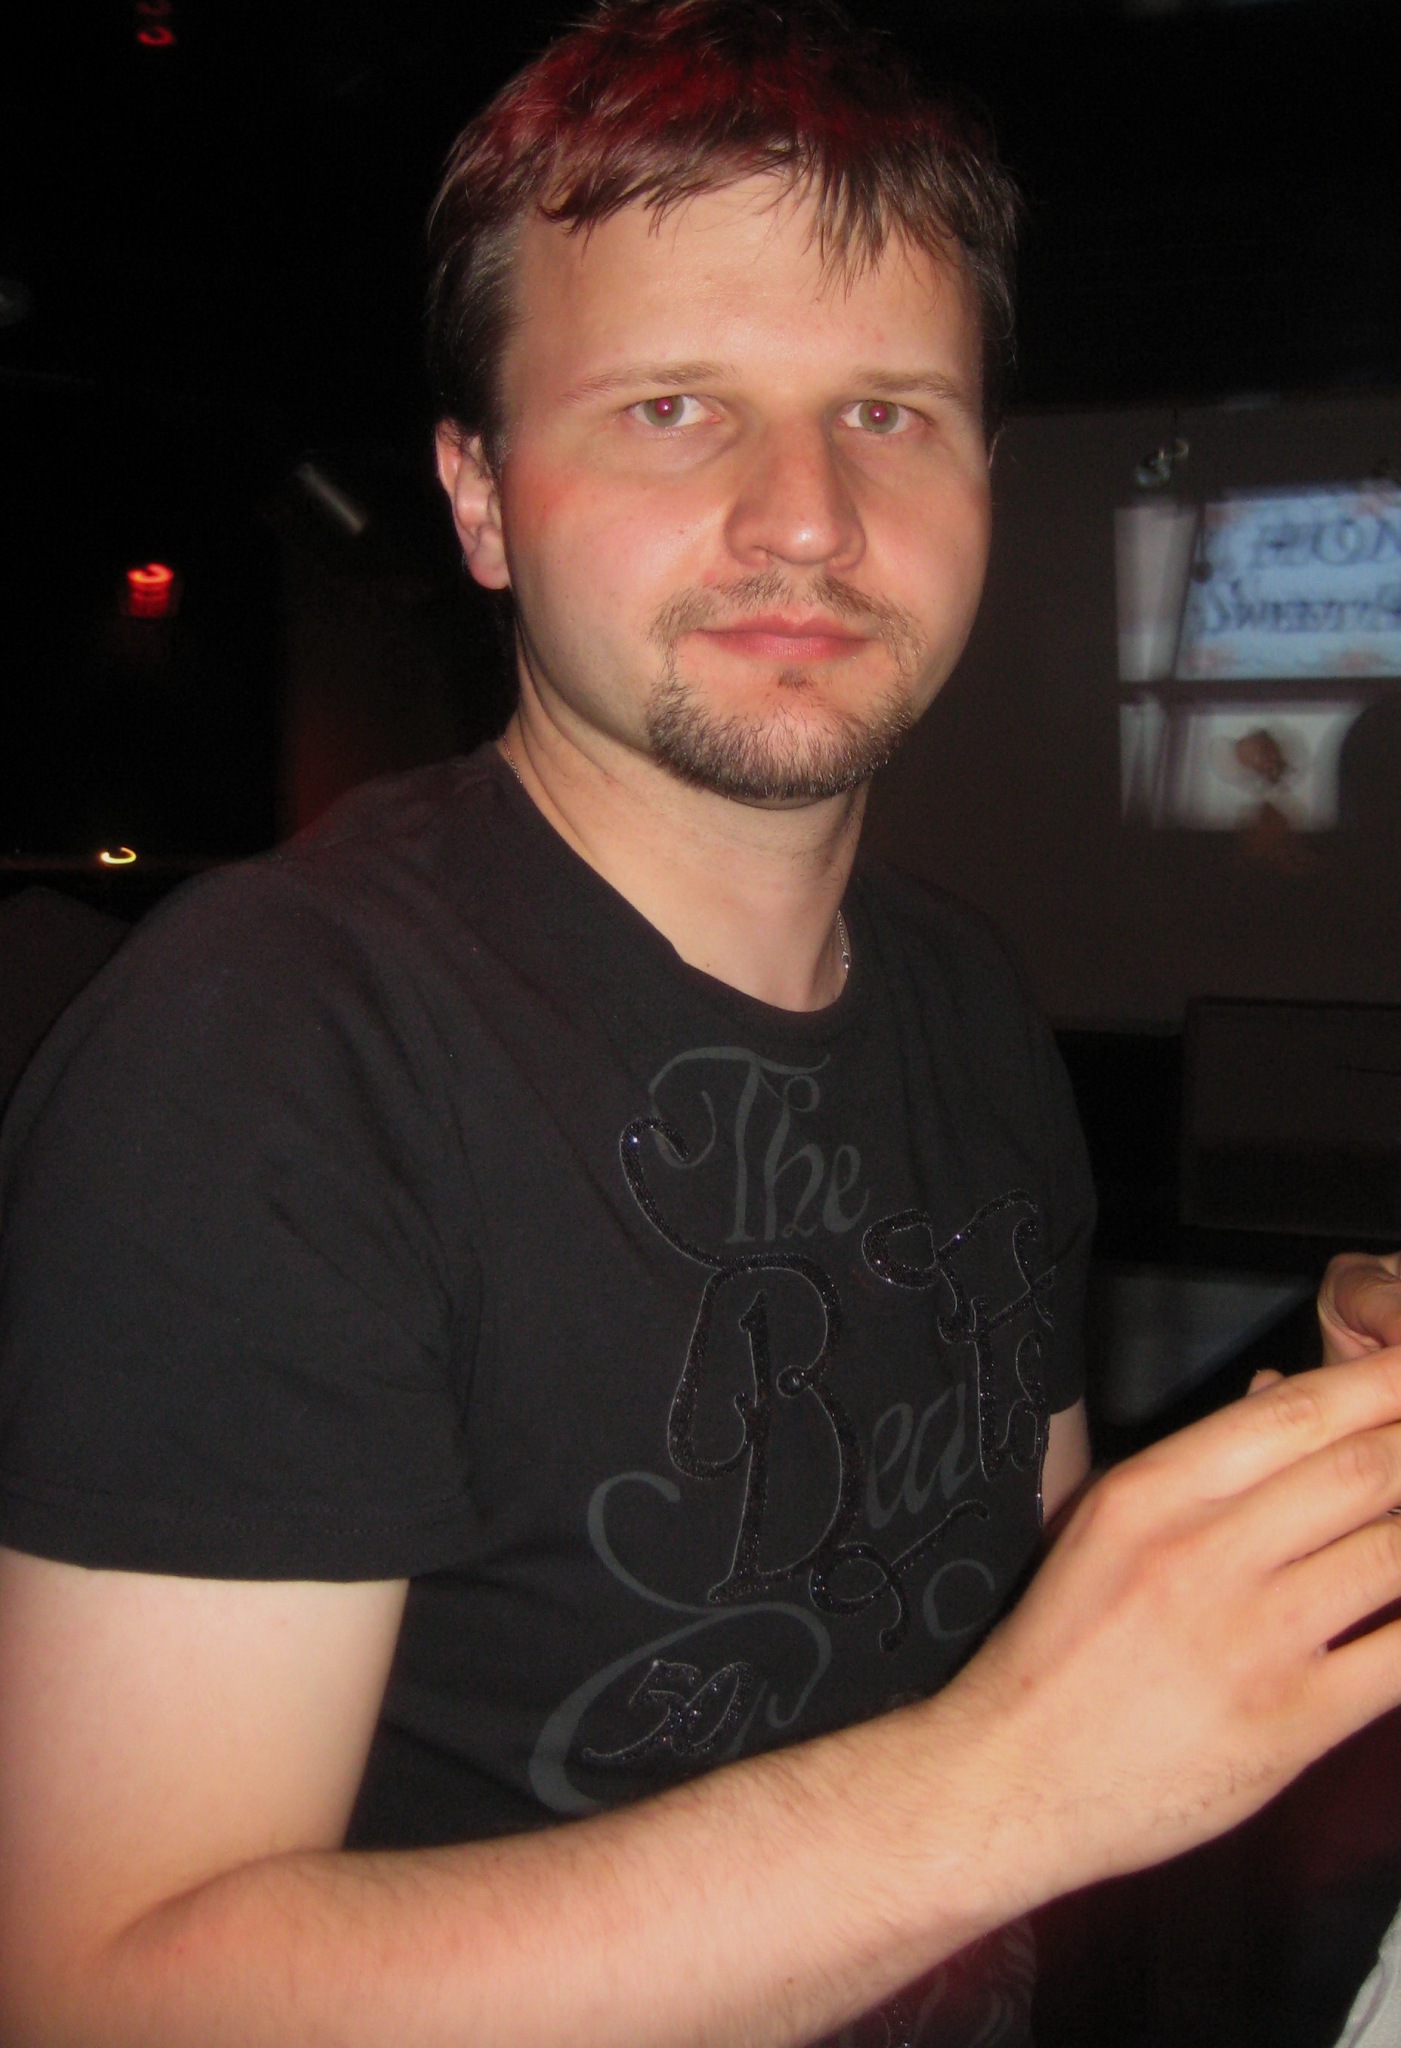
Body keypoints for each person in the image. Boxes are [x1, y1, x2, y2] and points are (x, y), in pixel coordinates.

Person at [1, 4, 1400, 2043]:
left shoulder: (962, 1002)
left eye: (886, 413)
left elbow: (989, 1615)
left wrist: (1313, 1444)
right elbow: (96, 1995)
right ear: (480, 499)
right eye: (672, 408)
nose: (804, 517)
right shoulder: (268, 1052)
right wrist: (1002, 1793)